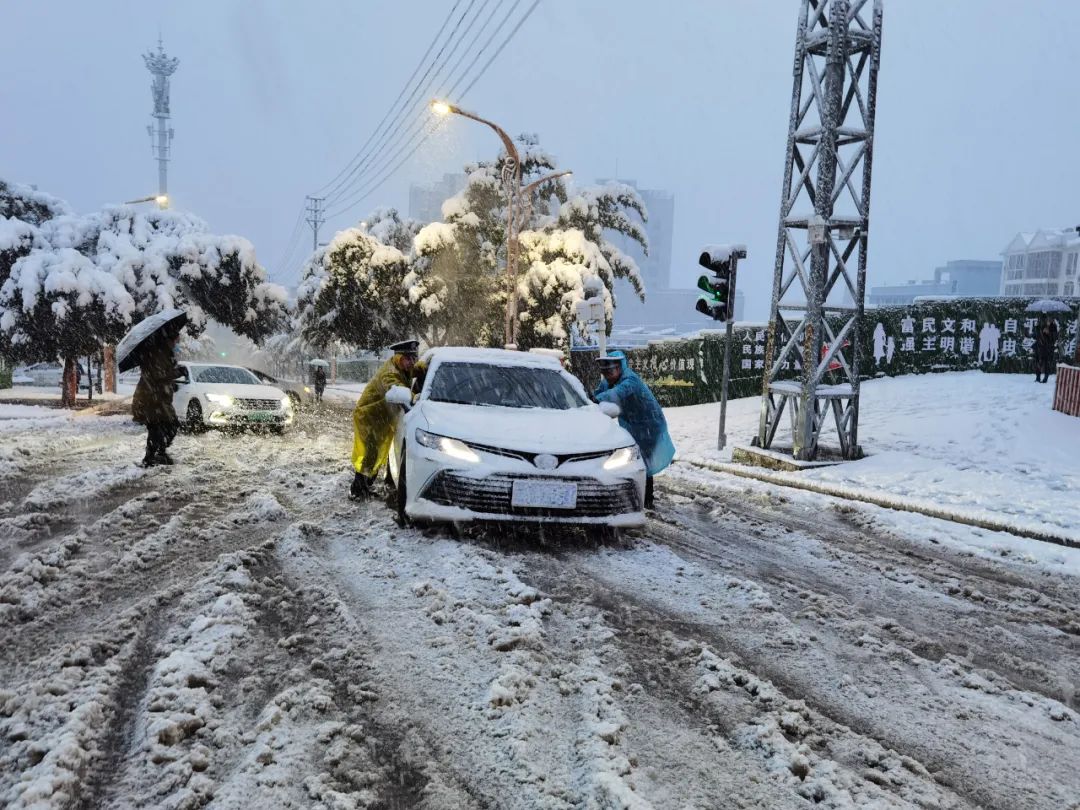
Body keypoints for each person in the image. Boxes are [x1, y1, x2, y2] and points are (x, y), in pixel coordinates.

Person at [593, 351, 676, 509]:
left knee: (645, 463)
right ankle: (634, 495)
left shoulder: (631, 380)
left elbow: (616, 393)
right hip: (631, 425)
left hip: (649, 425)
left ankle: (647, 500)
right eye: (604, 372)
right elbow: (598, 393)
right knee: (631, 459)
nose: (608, 375)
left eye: (610, 371)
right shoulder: (608, 382)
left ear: (620, 367)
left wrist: (597, 400)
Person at [350, 339, 420, 499]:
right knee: (369, 455)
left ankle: (364, 487)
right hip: (369, 417)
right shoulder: (390, 373)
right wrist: (415, 398)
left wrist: (425, 365)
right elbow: (398, 390)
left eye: (414, 358)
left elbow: (417, 368)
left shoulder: (402, 367)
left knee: (375, 455)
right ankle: (357, 490)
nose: (412, 362)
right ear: (398, 357)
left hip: (381, 417)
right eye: (408, 358)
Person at [132, 323, 183, 467]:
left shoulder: (164, 353)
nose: (177, 343)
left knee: (160, 428)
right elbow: (158, 375)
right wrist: (178, 372)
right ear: (169, 339)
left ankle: (154, 456)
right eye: (176, 340)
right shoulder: (158, 353)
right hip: (151, 400)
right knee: (165, 426)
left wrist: (172, 385)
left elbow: (159, 378)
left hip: (156, 399)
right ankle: (154, 456)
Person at [1034, 315, 1059, 383]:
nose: (1047, 320)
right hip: (1039, 347)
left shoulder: (1053, 326)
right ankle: (1038, 377)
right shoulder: (1039, 325)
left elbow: (1055, 337)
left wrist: (1049, 333)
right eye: (1045, 319)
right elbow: (1035, 335)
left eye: (1049, 319)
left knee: (1047, 363)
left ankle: (1045, 378)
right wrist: (1037, 329)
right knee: (1038, 362)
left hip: (1048, 348)